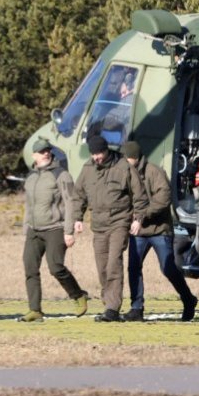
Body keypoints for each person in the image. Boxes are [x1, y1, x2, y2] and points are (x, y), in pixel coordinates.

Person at [70, 135, 147, 322]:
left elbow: (140, 196)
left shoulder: (123, 167)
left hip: (119, 222)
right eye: (93, 154)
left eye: (99, 153)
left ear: (106, 150)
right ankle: (108, 303)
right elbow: (78, 195)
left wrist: (138, 219)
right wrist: (77, 218)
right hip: (98, 224)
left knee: (114, 262)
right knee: (102, 267)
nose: (97, 157)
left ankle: (112, 308)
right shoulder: (87, 169)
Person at [121, 141, 198, 322]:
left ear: (133, 157)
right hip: (138, 231)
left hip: (159, 229)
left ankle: (188, 299)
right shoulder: (124, 174)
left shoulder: (154, 172)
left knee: (168, 268)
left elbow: (163, 198)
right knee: (133, 266)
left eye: (126, 158)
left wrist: (141, 216)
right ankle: (136, 307)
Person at [18, 138, 89, 322]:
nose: (46, 153)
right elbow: (29, 204)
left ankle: (78, 295)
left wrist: (69, 231)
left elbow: (70, 202)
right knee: (30, 268)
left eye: (48, 150)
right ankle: (35, 310)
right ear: (34, 155)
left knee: (55, 267)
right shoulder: (31, 177)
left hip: (55, 228)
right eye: (42, 151)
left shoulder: (61, 174)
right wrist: (26, 228)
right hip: (34, 230)